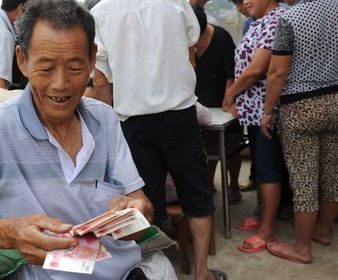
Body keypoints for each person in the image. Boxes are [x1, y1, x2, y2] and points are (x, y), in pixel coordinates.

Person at [0, 0, 176, 279]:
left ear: (92, 60)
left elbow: (140, 205)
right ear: (23, 61)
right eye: (46, 68)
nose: (60, 84)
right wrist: (10, 233)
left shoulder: (104, 120)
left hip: (125, 273)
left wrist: (136, 213)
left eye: (75, 67)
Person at [90, 0, 225, 279]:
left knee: (144, 202)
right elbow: (191, 51)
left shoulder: (99, 13)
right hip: (179, 115)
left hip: (133, 123)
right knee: (197, 195)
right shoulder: (175, 1)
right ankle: (202, 272)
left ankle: (153, 269)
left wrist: (106, 132)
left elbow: (102, 81)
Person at [260, 0, 338, 264]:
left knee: (304, 182)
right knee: (334, 174)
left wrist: (268, 111)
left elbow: (277, 71)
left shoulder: (291, 18)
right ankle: (322, 231)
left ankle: (302, 249)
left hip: (300, 106)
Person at [222, 0, 286, 254]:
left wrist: (231, 93)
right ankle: (262, 219)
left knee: (268, 170)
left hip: (265, 112)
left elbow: (257, 69)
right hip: (253, 111)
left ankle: (267, 231)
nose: (244, 2)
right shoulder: (260, 23)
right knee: (260, 167)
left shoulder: (275, 21)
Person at [192, 6, 243, 204]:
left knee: (231, 145)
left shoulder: (221, 38)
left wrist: (228, 97)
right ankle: (209, 183)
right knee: (205, 145)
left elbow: (231, 71)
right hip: (200, 101)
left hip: (224, 99)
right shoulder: (186, 43)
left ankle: (234, 185)